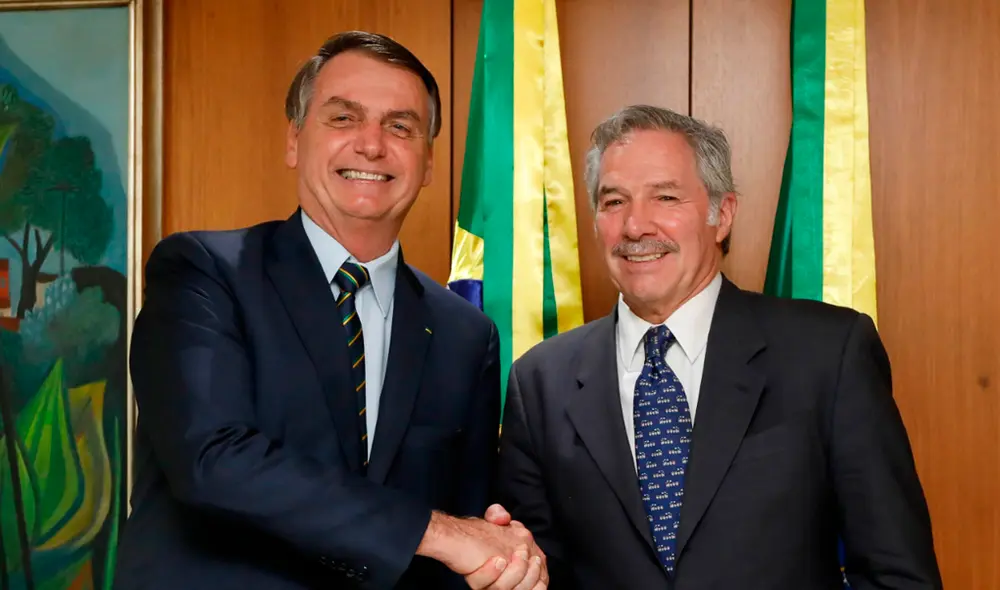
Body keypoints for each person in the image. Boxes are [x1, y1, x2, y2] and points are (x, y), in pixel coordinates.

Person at [115, 31, 547, 590]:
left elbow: (467, 534)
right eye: (344, 118)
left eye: (400, 127)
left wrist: (504, 563)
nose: (371, 145)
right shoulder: (203, 272)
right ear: (294, 141)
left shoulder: (465, 333)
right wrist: (439, 533)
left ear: (429, 162)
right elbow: (214, 461)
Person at [491, 104, 943, 588]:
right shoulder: (539, 382)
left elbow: (897, 575)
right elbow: (534, 573)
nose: (635, 226)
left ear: (722, 215)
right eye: (614, 201)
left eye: (665, 197)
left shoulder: (828, 355)